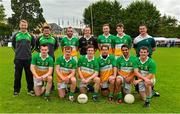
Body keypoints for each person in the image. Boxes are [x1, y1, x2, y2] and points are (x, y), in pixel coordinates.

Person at [133, 24, 159, 97]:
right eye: (140, 29)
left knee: (149, 73)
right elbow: (135, 48)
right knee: (138, 72)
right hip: (138, 58)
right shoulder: (136, 39)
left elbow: (154, 48)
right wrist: (141, 54)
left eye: (143, 29)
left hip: (148, 58)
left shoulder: (151, 38)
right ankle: (137, 89)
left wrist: (147, 54)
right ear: (139, 30)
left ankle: (151, 90)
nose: (142, 30)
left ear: (146, 29)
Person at [12, 19, 35, 96]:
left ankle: (30, 90)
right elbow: (13, 46)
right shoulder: (16, 35)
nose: (23, 27)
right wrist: (17, 52)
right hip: (18, 59)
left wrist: (29, 52)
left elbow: (34, 46)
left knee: (29, 76)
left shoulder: (30, 36)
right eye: (22, 25)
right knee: (17, 76)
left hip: (28, 59)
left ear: (27, 26)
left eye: (25, 25)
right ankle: (16, 91)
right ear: (20, 26)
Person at [36, 25, 59, 90]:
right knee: (42, 71)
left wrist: (51, 52)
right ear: (42, 31)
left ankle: (51, 86)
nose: (46, 32)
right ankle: (41, 84)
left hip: (51, 58)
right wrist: (41, 53)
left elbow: (56, 47)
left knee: (50, 72)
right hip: (41, 58)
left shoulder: (54, 38)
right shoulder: (39, 38)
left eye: (48, 31)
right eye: (45, 31)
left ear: (50, 31)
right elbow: (36, 47)